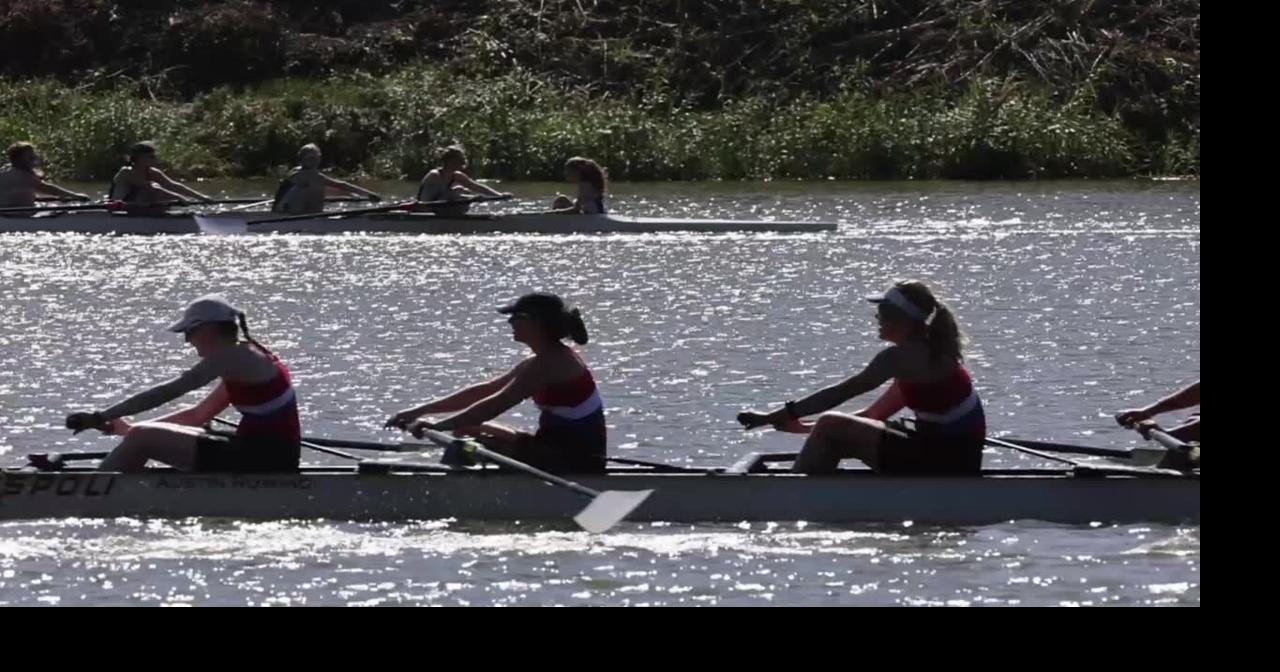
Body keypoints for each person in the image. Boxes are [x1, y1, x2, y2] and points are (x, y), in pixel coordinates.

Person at [737, 281, 986, 474]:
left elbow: (843, 392)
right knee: (833, 431)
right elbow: (872, 416)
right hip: (950, 454)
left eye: (882, 313)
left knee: (830, 424)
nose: (876, 319)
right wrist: (804, 428)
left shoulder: (903, 358)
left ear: (902, 320)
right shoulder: (923, 357)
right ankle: (813, 496)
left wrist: (776, 416)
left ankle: (791, 498)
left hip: (947, 460)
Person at [64, 295, 301, 473]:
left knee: (144, 438)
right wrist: (129, 430)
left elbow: (172, 389)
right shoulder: (245, 360)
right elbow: (198, 414)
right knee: (143, 434)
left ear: (207, 330)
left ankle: (94, 493)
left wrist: (101, 415)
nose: (188, 341)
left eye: (188, 333)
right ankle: (108, 486)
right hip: (265, 452)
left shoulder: (233, 357)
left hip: (263, 458)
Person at [385, 292, 606, 474]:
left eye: (515, 317)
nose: (510, 322)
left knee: (470, 441)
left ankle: (460, 492)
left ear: (536, 323)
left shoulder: (550, 363)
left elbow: (495, 405)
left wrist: (437, 426)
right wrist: (418, 411)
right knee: (464, 427)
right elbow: (484, 392)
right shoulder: (541, 359)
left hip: (574, 461)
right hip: (552, 447)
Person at [272, 143, 382, 214]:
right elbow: (341, 185)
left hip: (287, 208)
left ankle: (315, 216)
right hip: (283, 213)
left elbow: (334, 187)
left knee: (319, 186)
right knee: (318, 186)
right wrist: (369, 194)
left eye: (317, 158)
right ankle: (315, 217)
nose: (315, 161)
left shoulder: (305, 173)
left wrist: (351, 195)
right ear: (302, 160)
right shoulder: (302, 174)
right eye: (311, 158)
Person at [107, 141, 213, 208]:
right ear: (139, 158)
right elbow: (152, 188)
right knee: (152, 189)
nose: (155, 160)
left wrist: (203, 198)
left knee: (161, 191)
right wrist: (178, 197)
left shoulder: (153, 172)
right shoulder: (127, 172)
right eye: (151, 157)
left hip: (138, 207)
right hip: (120, 208)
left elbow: (174, 186)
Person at [416, 144, 509, 215]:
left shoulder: (457, 175)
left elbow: (478, 188)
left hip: (442, 208)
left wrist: (500, 196)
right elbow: (425, 203)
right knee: (458, 191)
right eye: (460, 160)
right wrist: (468, 198)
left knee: (463, 191)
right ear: (449, 161)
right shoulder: (434, 176)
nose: (462, 163)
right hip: (426, 210)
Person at [0, 142, 91, 207]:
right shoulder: (19, 175)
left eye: (34, 156)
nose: (34, 160)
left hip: (15, 213)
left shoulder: (8, 169)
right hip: (14, 216)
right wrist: (74, 195)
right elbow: (46, 188)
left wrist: (62, 196)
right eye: (30, 157)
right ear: (17, 159)